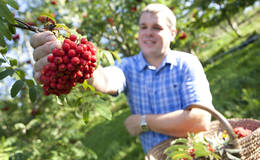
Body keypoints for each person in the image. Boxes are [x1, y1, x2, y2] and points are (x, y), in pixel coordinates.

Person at [30, 3, 213, 155]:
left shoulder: (187, 63)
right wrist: (78, 66)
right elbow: (107, 79)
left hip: (199, 154)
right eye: (143, 27)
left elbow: (200, 121)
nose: (148, 33)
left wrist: (143, 122)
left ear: (173, 33)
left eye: (156, 27)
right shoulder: (127, 66)